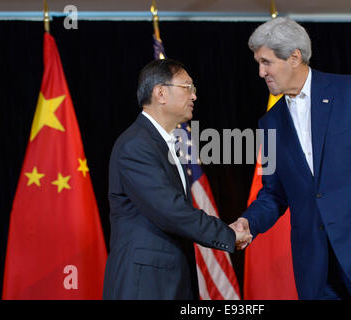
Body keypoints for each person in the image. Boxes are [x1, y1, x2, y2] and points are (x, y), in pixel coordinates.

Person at [233, 17, 351, 300]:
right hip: (316, 269)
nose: (261, 72)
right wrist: (248, 223)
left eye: (266, 62)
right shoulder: (269, 122)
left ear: (294, 57)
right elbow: (273, 193)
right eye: (258, 63)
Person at [103, 58, 250, 300]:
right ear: (160, 93)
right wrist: (227, 234)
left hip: (168, 281)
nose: (194, 96)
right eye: (187, 87)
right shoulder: (136, 145)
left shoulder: (163, 144)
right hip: (144, 285)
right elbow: (170, 210)